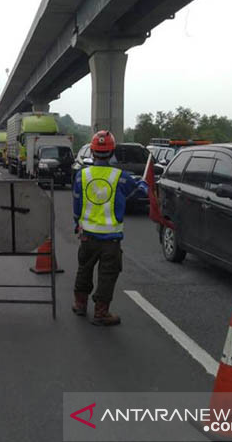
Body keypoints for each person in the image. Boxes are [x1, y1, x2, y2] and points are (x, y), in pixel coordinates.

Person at [72, 130, 147, 326]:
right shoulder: (120, 177)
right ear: (112, 152)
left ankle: (80, 305)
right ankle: (101, 313)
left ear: (92, 152)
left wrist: (76, 223)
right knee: (107, 275)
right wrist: (144, 185)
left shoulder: (82, 176)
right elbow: (138, 191)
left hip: (87, 235)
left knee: (84, 269)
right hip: (111, 239)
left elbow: (77, 205)